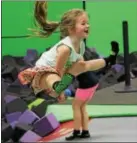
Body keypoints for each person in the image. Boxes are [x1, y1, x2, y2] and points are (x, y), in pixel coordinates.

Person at [18, 1, 119, 102]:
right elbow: (58, 71)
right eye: (83, 23)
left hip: (61, 75)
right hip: (43, 74)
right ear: (70, 29)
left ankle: (110, 60)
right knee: (52, 76)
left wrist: (83, 70)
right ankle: (58, 90)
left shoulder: (81, 45)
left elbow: (82, 65)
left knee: (82, 65)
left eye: (88, 23)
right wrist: (60, 92)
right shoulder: (65, 48)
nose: (87, 26)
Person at [65, 42, 119, 140]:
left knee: (76, 106)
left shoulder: (73, 63)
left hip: (86, 85)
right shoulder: (79, 59)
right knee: (82, 106)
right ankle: (85, 132)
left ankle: (76, 132)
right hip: (93, 83)